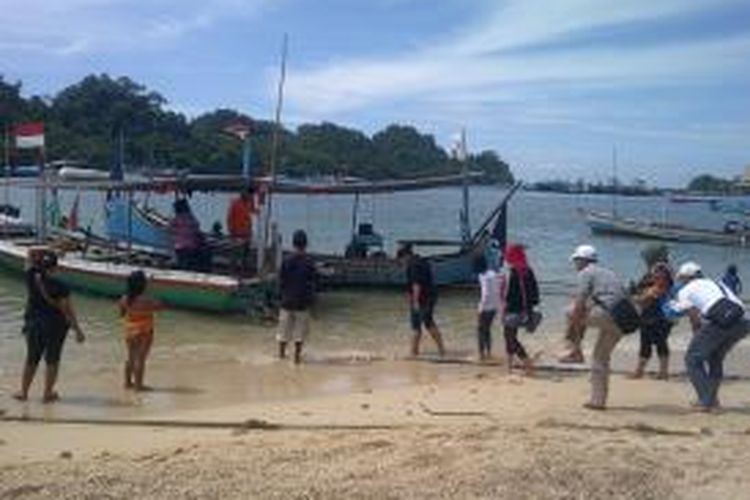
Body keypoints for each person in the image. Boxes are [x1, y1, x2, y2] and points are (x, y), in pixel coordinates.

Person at [668, 262, 747, 412]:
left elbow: (680, 313)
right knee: (715, 358)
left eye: (681, 279)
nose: (680, 282)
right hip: (743, 323)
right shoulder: (716, 283)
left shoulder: (686, 289)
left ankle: (706, 401)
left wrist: (668, 304)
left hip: (722, 322)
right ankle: (711, 399)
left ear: (686, 278)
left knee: (692, 359)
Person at [560, 244, 627, 410]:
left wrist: (574, 331)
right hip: (624, 320)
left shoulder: (586, 272)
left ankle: (575, 351)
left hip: (609, 314)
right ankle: (598, 402)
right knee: (600, 358)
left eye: (575, 260)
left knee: (569, 312)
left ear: (582, 260)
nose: (574, 264)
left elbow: (580, 301)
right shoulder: (608, 273)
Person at [14, 251, 85, 403]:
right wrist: (77, 330)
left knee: (32, 358)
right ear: (55, 268)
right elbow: (67, 309)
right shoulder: (61, 285)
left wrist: (49, 250)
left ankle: (24, 392)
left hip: (34, 324)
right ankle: (47, 394)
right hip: (56, 326)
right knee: (52, 359)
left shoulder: (31, 276)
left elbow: (30, 252)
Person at [630, 245, 674, 380]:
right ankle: (655, 371)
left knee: (653, 342)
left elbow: (657, 290)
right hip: (656, 314)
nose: (645, 259)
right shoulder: (663, 269)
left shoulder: (660, 269)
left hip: (656, 314)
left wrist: (637, 297)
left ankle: (645, 372)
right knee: (655, 342)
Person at [397, 243, 445, 358]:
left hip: (424, 297)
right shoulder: (421, 260)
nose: (401, 263)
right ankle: (416, 352)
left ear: (405, 256)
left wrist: (415, 301)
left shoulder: (412, 265)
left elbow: (416, 285)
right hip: (430, 295)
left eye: (401, 260)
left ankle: (438, 350)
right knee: (419, 324)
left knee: (424, 324)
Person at [277, 229, 317, 364]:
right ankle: (297, 359)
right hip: (302, 303)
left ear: (293, 243)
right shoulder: (309, 262)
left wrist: (281, 295)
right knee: (300, 334)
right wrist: (312, 302)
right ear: (306, 244)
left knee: (283, 333)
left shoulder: (286, 260)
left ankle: (281, 357)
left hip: (286, 301)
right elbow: (312, 284)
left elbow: (281, 280)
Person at [119, 270, 162, 391]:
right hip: (145, 330)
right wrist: (150, 291)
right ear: (143, 285)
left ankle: (127, 383)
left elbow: (121, 314)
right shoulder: (147, 299)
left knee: (130, 357)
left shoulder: (124, 298)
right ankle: (139, 386)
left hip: (130, 329)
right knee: (141, 359)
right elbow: (159, 306)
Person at [501, 244, 538, 375]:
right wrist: (529, 308)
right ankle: (509, 366)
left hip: (512, 309)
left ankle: (526, 362)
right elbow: (535, 294)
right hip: (526, 310)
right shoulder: (528, 270)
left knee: (509, 337)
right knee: (510, 337)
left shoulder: (512, 272)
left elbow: (507, 294)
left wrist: (503, 308)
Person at [474, 254, 501, 361]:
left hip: (486, 307)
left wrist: (480, 308)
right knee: (487, 330)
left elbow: (485, 294)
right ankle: (489, 352)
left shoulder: (482, 276)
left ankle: (481, 355)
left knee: (480, 330)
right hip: (494, 306)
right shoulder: (493, 273)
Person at [169, 198, 208, 272]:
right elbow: (197, 227)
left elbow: (170, 229)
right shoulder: (192, 218)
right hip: (191, 246)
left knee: (181, 262)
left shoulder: (177, 219)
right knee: (187, 263)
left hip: (180, 246)